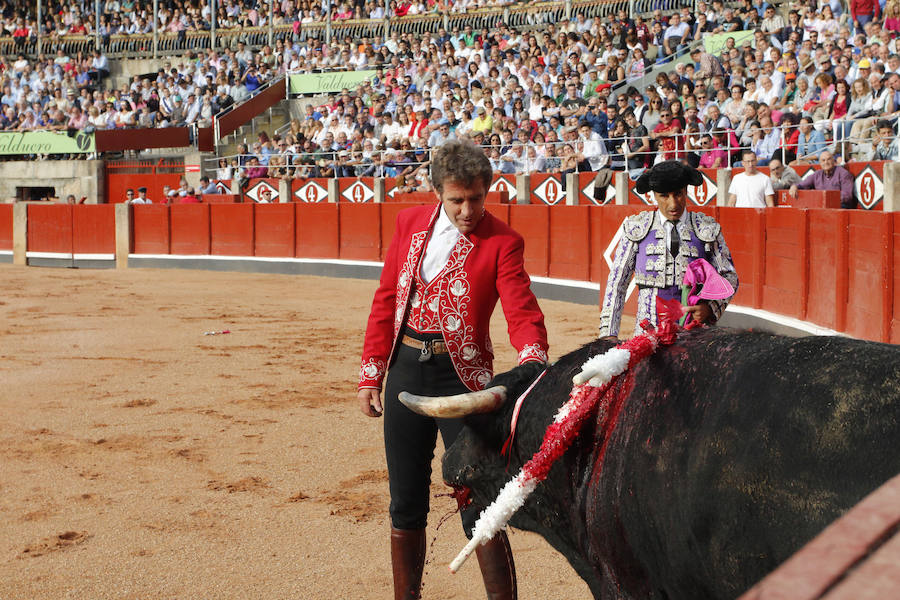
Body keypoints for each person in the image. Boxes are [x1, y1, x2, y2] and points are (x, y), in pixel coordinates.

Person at [357, 139, 549, 600]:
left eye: (476, 198)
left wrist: (532, 357)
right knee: (405, 501)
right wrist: (371, 372)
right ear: (437, 192)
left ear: (488, 191)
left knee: (477, 503)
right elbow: (387, 299)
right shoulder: (408, 223)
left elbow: (520, 308)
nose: (467, 209)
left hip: (464, 381)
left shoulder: (503, 240)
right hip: (405, 369)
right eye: (456, 199)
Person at [599, 160, 738, 339]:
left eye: (678, 194)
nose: (673, 204)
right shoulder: (637, 229)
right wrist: (608, 334)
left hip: (695, 335)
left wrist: (710, 307)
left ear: (686, 191)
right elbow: (617, 283)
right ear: (654, 196)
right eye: (664, 196)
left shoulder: (706, 229)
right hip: (647, 335)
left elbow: (729, 277)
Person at [788, 150, 856, 209]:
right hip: (821, 207)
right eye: (823, 160)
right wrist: (794, 186)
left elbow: (847, 196)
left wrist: (827, 199)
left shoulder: (844, 174)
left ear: (833, 161)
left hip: (839, 208)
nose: (826, 162)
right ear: (820, 163)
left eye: (829, 159)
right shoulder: (817, 174)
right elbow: (802, 185)